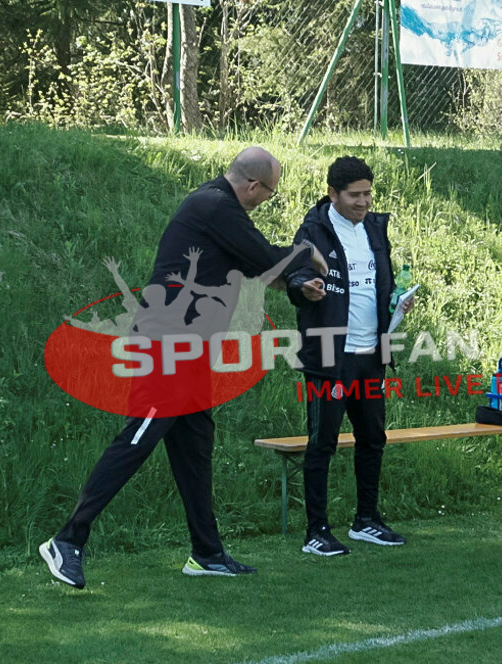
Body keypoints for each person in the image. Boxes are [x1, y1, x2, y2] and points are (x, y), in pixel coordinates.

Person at [40, 147, 329, 587]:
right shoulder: (214, 206)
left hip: (191, 352)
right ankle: (68, 539)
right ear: (254, 186)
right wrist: (307, 254)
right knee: (138, 438)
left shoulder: (220, 209)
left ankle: (207, 553)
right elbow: (266, 256)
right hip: (165, 346)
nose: (263, 202)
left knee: (195, 450)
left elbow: (258, 266)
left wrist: (296, 279)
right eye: (267, 195)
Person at [285, 156, 413, 556]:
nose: (363, 202)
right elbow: (294, 275)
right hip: (329, 353)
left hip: (371, 352)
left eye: (368, 194)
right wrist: (304, 287)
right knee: (321, 442)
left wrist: (396, 304)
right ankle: (316, 531)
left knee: (373, 438)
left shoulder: (375, 228)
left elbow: (381, 282)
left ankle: (366, 521)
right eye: (355, 195)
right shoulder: (314, 230)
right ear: (333, 194)